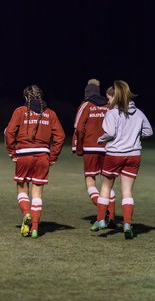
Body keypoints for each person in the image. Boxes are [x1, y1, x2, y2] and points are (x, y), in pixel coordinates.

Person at [90, 80, 153, 239]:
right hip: (133, 155)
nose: (108, 101)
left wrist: (101, 139)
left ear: (115, 96)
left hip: (114, 155)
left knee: (105, 187)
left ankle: (100, 221)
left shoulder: (111, 113)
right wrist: (134, 137)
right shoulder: (138, 113)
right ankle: (127, 224)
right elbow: (148, 131)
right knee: (127, 191)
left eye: (109, 98)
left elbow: (110, 133)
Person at [5, 85, 65, 238]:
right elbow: (61, 137)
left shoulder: (20, 111)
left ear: (26, 98)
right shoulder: (50, 113)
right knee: (37, 194)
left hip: (24, 155)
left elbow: (9, 133)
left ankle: (26, 214)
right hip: (43, 157)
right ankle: (36, 229)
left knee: (22, 189)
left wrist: (12, 152)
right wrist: (53, 157)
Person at [72, 79, 116, 226]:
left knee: (90, 181)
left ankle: (103, 211)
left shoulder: (86, 105)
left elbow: (78, 128)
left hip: (90, 148)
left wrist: (79, 148)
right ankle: (111, 218)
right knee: (107, 184)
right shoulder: (108, 106)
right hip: (107, 149)